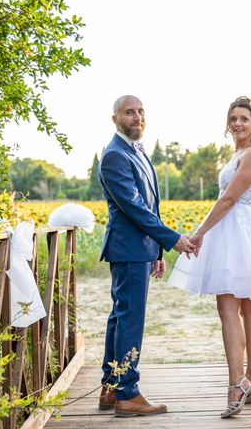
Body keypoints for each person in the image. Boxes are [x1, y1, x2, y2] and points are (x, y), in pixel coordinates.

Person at [168, 96, 251, 418]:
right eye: (233, 118)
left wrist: (199, 232)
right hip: (234, 230)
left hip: (240, 230)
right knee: (240, 307)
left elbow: (229, 198)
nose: (238, 124)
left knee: (236, 307)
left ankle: (237, 384)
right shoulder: (240, 153)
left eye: (244, 118)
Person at [98, 94, 197, 417]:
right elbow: (134, 208)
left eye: (141, 111)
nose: (137, 117)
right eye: (129, 112)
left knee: (120, 316)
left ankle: (112, 388)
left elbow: (150, 205)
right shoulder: (114, 155)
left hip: (138, 249)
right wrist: (172, 239)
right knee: (129, 319)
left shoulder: (136, 151)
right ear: (115, 119)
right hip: (127, 249)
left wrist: (155, 249)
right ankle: (128, 393)